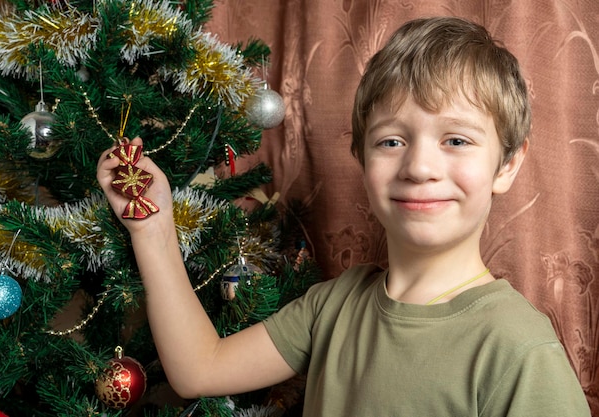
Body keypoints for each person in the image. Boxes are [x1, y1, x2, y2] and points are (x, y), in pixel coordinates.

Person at [97, 16, 591, 417]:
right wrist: (153, 228)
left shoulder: (520, 351)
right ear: (361, 157)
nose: (419, 167)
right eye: (391, 141)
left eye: (456, 140)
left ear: (507, 164)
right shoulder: (332, 306)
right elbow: (198, 370)